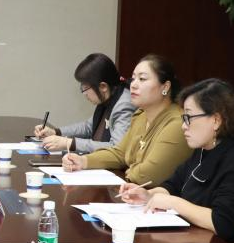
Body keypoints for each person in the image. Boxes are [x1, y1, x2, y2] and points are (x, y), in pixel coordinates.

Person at [119, 78, 234, 243]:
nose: (183, 126)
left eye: (189, 117)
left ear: (216, 120)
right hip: (199, 242)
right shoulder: (205, 148)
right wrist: (149, 195)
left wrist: (173, 203)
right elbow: (174, 185)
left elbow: (223, 222)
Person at [62, 54, 191, 184]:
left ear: (165, 87)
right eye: (133, 78)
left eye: (142, 79)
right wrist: (83, 161)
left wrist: (128, 169)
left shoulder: (177, 124)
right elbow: (119, 153)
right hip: (134, 191)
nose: (133, 85)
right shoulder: (141, 116)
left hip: (156, 194)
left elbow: (146, 175)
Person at [35, 53, 134, 153]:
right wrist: (55, 132)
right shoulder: (107, 97)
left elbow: (116, 148)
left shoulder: (123, 105)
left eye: (85, 88)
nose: (84, 94)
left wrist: (69, 143)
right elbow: (88, 127)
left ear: (103, 87)